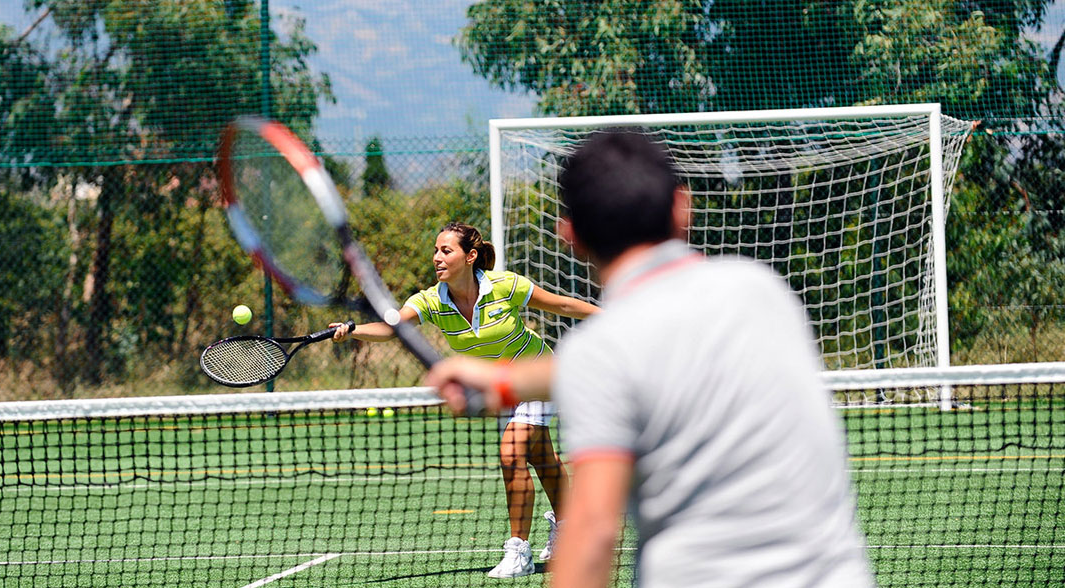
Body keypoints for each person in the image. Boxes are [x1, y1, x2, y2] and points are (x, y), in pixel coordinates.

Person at [426, 130, 876, 588]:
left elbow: (596, 531)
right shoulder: (762, 290)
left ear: (571, 236)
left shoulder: (602, 354)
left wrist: (501, 384)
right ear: (683, 208)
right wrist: (504, 385)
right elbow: (648, 358)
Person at [330, 221, 600, 579]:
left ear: (470, 256)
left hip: (538, 374)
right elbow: (392, 328)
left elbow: (562, 305)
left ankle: (519, 551)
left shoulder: (504, 286)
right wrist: (354, 331)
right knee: (541, 457)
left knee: (511, 452)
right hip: (500, 387)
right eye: (436, 251)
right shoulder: (430, 301)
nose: (437, 258)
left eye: (446, 250)